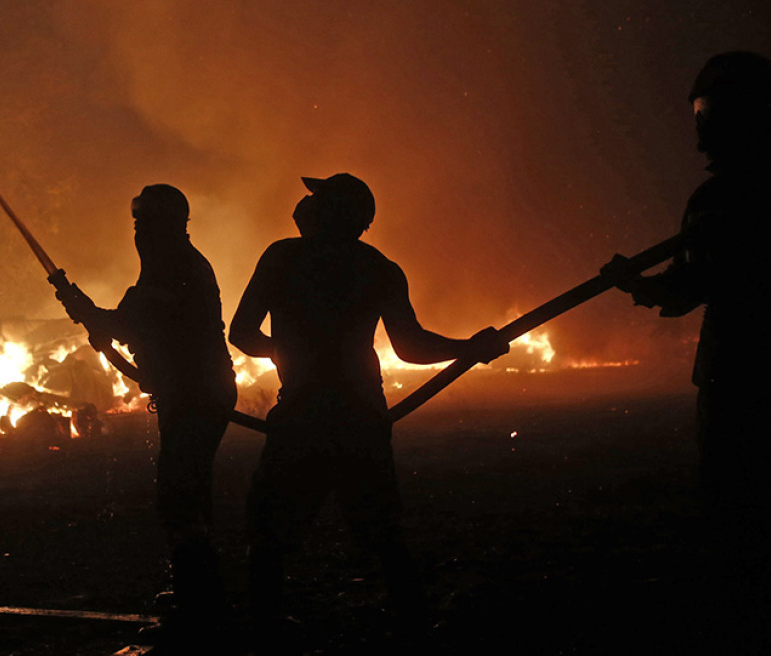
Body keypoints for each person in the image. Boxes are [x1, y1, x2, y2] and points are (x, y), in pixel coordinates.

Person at [603, 51, 771, 647]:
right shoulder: (720, 200)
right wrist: (635, 285)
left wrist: (745, 262)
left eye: (709, 113)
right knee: (734, 511)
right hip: (736, 379)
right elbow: (684, 289)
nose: (701, 127)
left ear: (745, 114)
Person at [230, 173, 508, 645]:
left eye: (316, 199)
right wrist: (468, 347)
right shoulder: (377, 267)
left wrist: (287, 351)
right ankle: (412, 625)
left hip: (303, 413)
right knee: (382, 530)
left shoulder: (284, 258)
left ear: (332, 212)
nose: (304, 205)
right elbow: (411, 346)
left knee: (271, 532)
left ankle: (264, 630)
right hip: (361, 412)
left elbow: (242, 333)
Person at [57, 184, 238, 642]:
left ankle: (201, 598)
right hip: (192, 392)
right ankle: (198, 590)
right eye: (137, 222)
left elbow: (127, 322)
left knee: (178, 491)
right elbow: (128, 322)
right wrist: (88, 312)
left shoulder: (174, 269)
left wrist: (86, 311)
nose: (138, 231)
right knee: (189, 489)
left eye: (146, 222)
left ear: (170, 224)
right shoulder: (170, 265)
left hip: (197, 394)